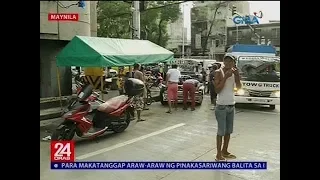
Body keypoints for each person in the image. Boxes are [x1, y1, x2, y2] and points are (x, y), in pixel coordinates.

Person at [213, 55, 241, 161]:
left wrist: (237, 76)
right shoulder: (218, 72)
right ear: (223, 62)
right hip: (221, 106)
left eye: (231, 61)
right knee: (221, 131)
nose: (228, 63)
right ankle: (218, 155)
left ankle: (225, 151)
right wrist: (225, 77)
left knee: (228, 131)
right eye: (226, 61)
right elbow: (217, 90)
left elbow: (238, 88)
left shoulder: (234, 72)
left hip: (231, 105)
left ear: (234, 62)